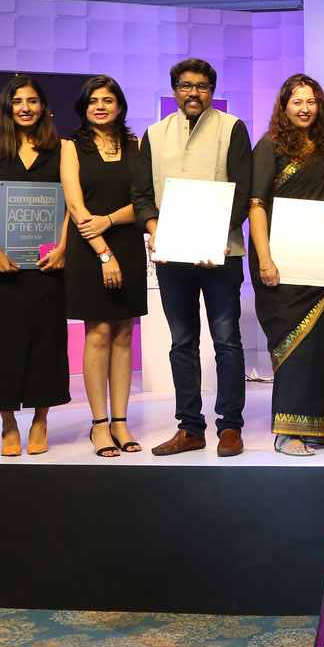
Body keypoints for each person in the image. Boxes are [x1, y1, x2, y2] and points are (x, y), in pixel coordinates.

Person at [131, 59, 252, 459]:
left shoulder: (232, 128)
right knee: (182, 342)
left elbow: (242, 192)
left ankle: (230, 427)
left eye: (201, 86)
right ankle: (190, 428)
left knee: (226, 341)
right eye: (186, 86)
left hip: (221, 254)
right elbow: (141, 195)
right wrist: (153, 227)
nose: (193, 93)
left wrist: (209, 238)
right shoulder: (154, 134)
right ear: (174, 91)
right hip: (172, 257)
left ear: (212, 90)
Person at [249, 75, 324, 455]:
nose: (305, 109)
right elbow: (257, 205)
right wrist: (265, 259)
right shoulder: (270, 145)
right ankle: (289, 432)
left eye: (311, 101)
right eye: (297, 102)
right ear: (284, 106)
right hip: (284, 262)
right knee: (295, 345)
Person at [0, 77, 70, 456]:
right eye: (18, 102)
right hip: (2, 260)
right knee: (0, 341)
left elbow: (71, 202)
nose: (25, 108)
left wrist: (63, 247)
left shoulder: (62, 149)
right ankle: (8, 422)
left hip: (48, 262)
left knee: (46, 340)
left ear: (43, 107)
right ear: (8, 107)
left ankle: (41, 419)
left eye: (32, 101)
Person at [61, 77, 147, 457]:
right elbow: (76, 206)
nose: (100, 106)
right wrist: (104, 253)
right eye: (93, 100)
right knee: (97, 333)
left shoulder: (135, 145)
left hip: (127, 241)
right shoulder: (71, 146)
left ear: (119, 106)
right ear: (84, 107)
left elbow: (144, 200)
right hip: (88, 247)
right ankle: (99, 424)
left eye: (107, 100)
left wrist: (109, 221)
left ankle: (121, 421)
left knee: (125, 334)